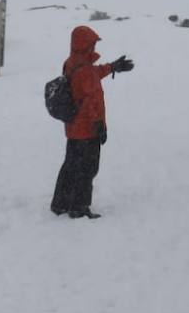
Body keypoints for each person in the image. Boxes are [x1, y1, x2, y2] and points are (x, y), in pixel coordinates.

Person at [51, 25, 134, 219]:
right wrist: (99, 126)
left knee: (71, 165)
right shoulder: (84, 70)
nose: (94, 47)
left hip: (73, 128)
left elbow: (93, 73)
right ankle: (79, 207)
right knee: (87, 169)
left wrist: (112, 67)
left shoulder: (73, 63)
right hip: (87, 130)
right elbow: (92, 100)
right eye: (92, 43)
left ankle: (60, 203)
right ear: (84, 44)